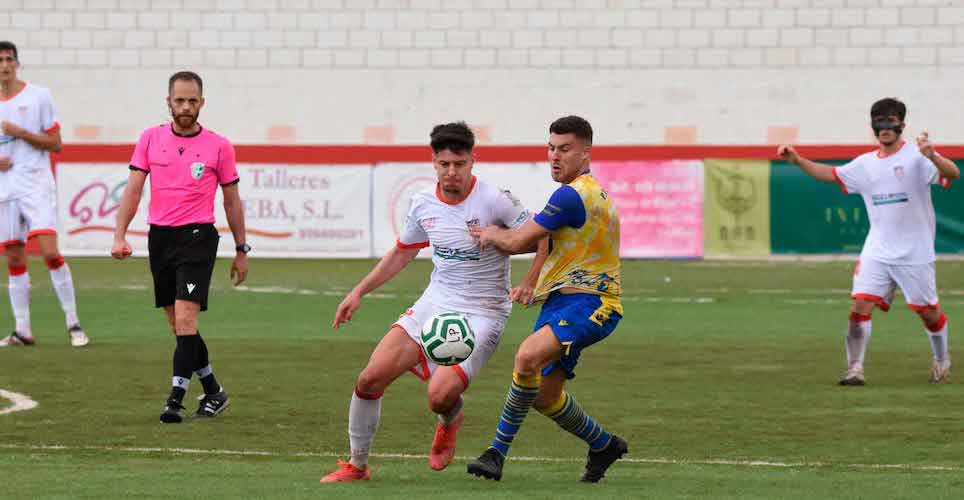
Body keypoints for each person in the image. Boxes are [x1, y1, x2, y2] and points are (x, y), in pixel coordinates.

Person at [321, 122, 533, 483]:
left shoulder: (496, 199)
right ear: (433, 163)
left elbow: (538, 238)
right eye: (444, 164)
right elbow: (402, 254)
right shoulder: (423, 203)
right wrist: (358, 291)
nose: (452, 172)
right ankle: (357, 466)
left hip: (483, 311)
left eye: (460, 164)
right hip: (435, 303)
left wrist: (506, 247)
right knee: (370, 379)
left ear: (472, 162)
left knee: (438, 397)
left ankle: (450, 418)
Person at [466, 115, 628, 483]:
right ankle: (603, 445)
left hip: (591, 305)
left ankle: (496, 453)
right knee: (544, 396)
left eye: (564, 149)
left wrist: (492, 234)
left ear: (586, 152)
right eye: (551, 148)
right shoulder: (583, 193)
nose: (555, 156)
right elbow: (547, 241)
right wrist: (530, 281)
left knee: (526, 356)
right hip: (562, 305)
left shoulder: (572, 195)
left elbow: (522, 239)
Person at [778, 97, 960, 386]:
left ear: (902, 124)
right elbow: (831, 173)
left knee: (928, 313)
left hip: (915, 252)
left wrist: (933, 155)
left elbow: (953, 173)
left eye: (890, 120)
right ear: (873, 126)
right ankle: (855, 369)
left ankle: (941, 358)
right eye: (879, 121)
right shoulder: (864, 164)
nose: (884, 126)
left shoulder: (917, 157)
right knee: (860, 306)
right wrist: (798, 160)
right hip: (877, 250)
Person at [111, 71, 249, 423]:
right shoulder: (150, 139)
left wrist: (241, 248)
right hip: (160, 238)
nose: (185, 107)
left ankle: (176, 398)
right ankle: (214, 392)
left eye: (192, 101)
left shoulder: (220, 146)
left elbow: (232, 201)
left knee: (186, 319)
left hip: (198, 238)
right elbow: (134, 189)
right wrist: (120, 234)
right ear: (168, 102)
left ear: (202, 103)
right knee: (178, 325)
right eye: (179, 100)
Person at [0, 41, 88, 348]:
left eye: (9, 59)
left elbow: (56, 143)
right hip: (4, 188)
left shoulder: (38, 96)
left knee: (50, 253)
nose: (4, 65)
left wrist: (21, 133)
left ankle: (73, 323)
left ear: (17, 64)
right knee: (13, 256)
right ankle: (22, 329)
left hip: (36, 183)